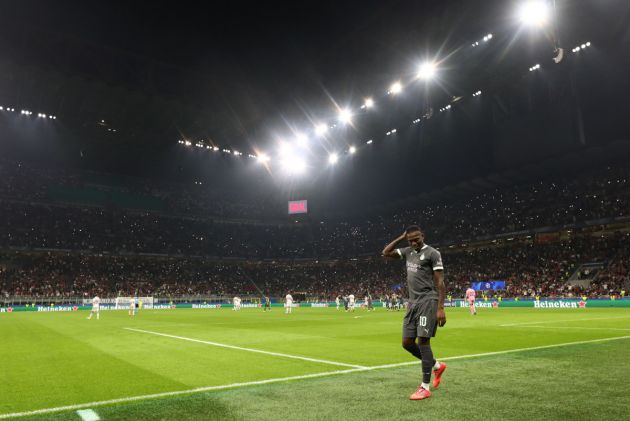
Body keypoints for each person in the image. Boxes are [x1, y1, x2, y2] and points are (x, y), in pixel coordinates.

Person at [382, 225, 447, 401]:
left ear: (422, 235)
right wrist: (401, 238)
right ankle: (436, 365)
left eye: (416, 239)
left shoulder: (433, 253)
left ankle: (424, 387)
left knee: (423, 342)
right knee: (407, 343)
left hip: (428, 301)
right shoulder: (407, 251)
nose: (414, 242)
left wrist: (441, 308)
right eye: (410, 240)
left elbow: (440, 281)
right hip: (412, 303)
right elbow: (386, 252)